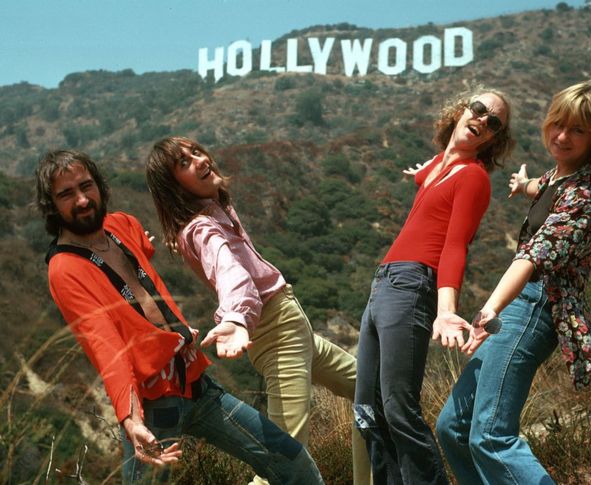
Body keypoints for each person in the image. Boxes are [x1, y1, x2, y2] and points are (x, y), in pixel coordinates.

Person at [35, 149, 324, 485]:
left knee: (292, 462)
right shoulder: (64, 269)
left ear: (99, 185)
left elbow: (142, 251)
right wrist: (131, 420)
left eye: (86, 186)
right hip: (154, 406)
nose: (82, 200)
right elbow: (106, 348)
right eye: (66, 194)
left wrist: (148, 256)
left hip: (195, 383)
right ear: (51, 205)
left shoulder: (121, 225)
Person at [436, 79, 591, 484]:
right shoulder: (559, 177)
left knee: (491, 437)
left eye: (577, 129)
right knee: (452, 429)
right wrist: (522, 184)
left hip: (534, 307)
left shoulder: (585, 191)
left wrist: (490, 310)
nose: (562, 136)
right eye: (557, 125)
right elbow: (540, 186)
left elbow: (533, 257)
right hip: (517, 304)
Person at [145, 137, 371, 485]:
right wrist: (236, 318)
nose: (199, 159)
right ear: (174, 187)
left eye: (195, 151)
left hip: (294, 331)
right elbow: (230, 273)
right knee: (286, 459)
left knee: (371, 392)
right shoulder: (203, 229)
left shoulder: (211, 210)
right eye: (184, 163)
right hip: (277, 335)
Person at [354, 87, 515, 484]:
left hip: (411, 285)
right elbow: (431, 172)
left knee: (397, 409)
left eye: (493, 123)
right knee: (366, 411)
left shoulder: (474, 178)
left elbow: (454, 246)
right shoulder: (441, 169)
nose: (483, 120)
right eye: (478, 110)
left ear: (494, 138)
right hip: (384, 283)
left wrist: (446, 310)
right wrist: (425, 169)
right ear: (462, 110)